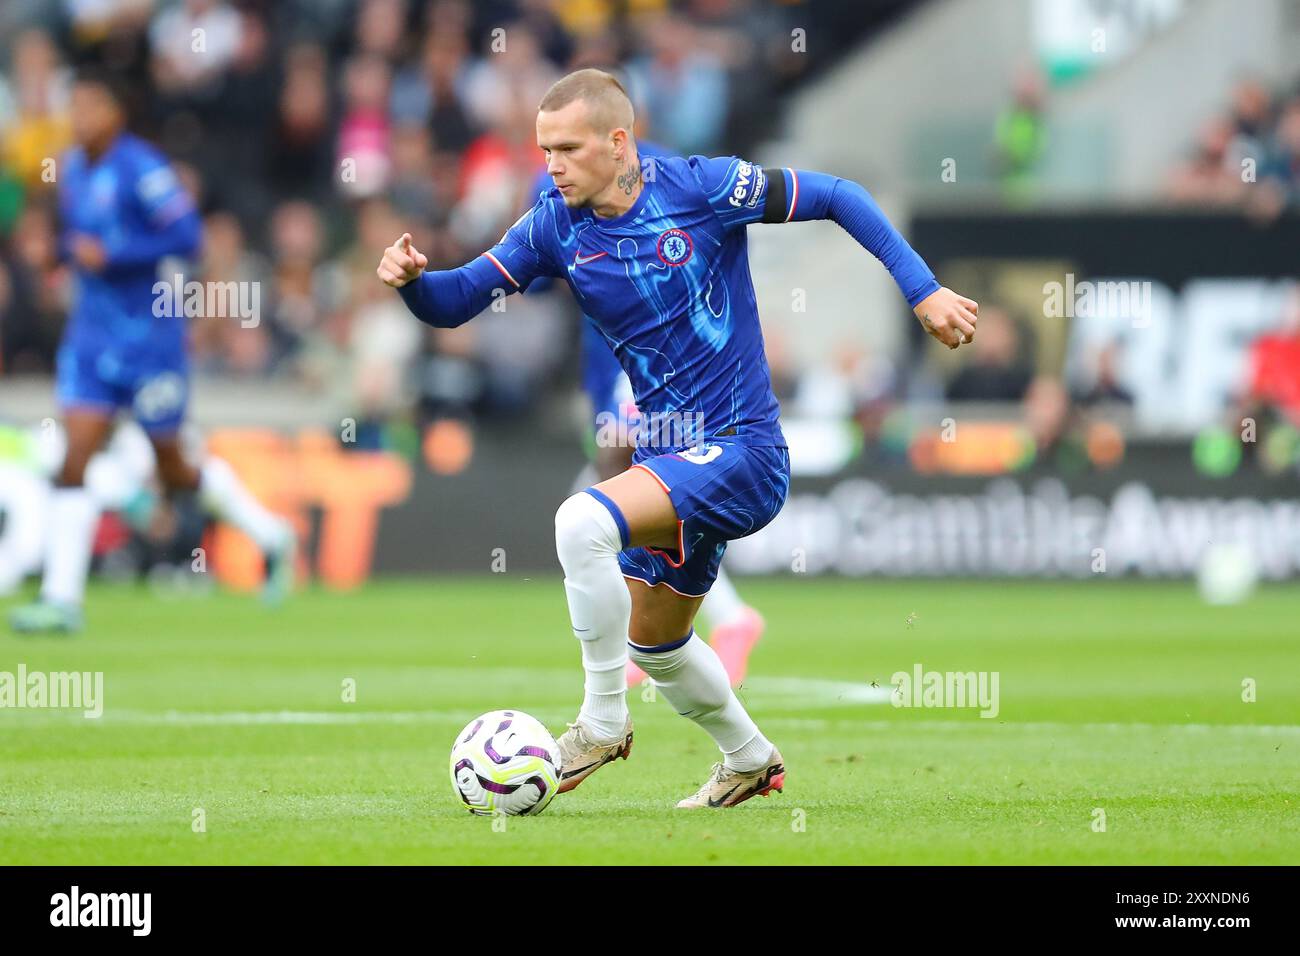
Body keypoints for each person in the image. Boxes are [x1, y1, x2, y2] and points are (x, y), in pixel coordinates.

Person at [378, 69, 977, 808]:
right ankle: (749, 758)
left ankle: (600, 724)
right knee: (655, 646)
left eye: (567, 148)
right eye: (543, 150)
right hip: (671, 462)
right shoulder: (553, 226)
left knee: (579, 519)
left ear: (618, 141)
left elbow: (839, 196)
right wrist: (412, 282)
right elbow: (458, 297)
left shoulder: (704, 189)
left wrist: (923, 289)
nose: (551, 165)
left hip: (743, 450)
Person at [9, 68, 294, 635]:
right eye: (75, 106)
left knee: (173, 470)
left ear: (115, 113)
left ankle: (269, 535)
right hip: (92, 338)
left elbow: (187, 237)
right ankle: (62, 600)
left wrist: (113, 253)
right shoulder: (71, 169)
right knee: (75, 458)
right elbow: (76, 238)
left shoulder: (143, 168)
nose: (79, 118)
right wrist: (60, 253)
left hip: (150, 341)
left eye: (90, 106)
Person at [529, 139, 767, 691]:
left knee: (615, 481)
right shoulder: (565, 183)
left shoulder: (664, 179)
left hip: (639, 366)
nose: (555, 157)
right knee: (615, 484)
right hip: (604, 359)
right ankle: (703, 621)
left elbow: (540, 285)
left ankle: (714, 621)